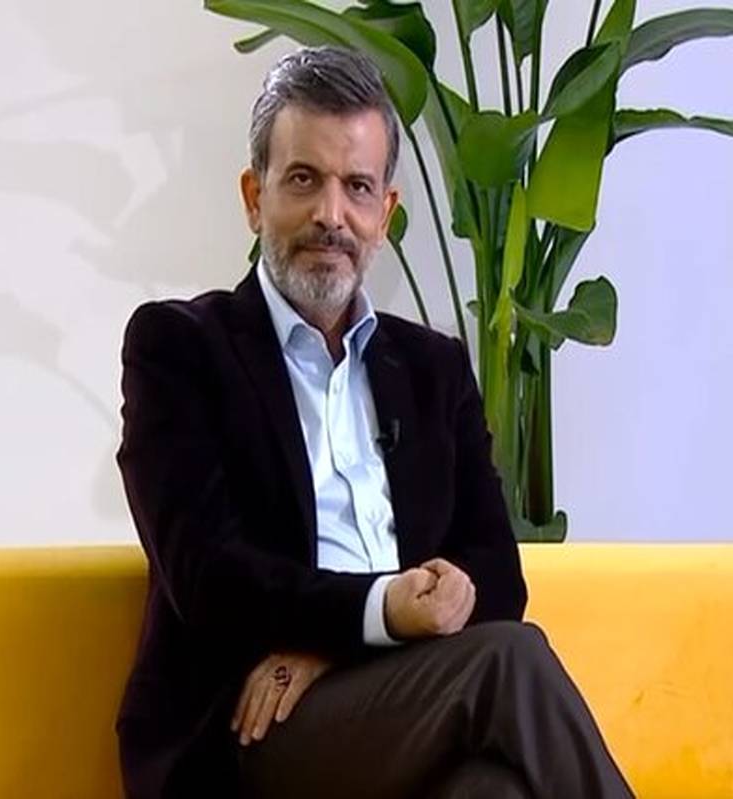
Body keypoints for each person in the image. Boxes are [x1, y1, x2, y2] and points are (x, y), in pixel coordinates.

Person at [115, 45, 634, 799]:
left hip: (398, 709)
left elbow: (496, 575)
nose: (331, 215)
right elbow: (209, 578)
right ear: (254, 197)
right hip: (250, 729)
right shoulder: (180, 349)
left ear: (384, 214)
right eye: (304, 180)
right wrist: (381, 610)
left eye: (357, 187)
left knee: (492, 792)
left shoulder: (433, 368)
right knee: (510, 659)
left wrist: (344, 643)